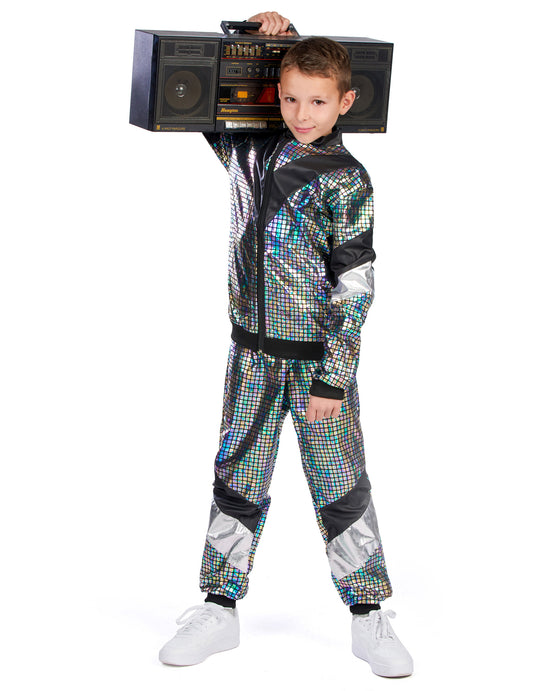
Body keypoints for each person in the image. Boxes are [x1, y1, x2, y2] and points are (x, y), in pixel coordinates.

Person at [158, 11, 413, 678]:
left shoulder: (345, 177)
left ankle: (367, 613)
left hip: (317, 364)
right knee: (236, 479)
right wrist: (259, 36)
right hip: (250, 356)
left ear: (345, 102)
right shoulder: (246, 151)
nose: (302, 113)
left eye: (318, 102)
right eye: (291, 98)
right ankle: (219, 606)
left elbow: (354, 284)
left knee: (341, 485)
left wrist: (334, 376)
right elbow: (207, 98)